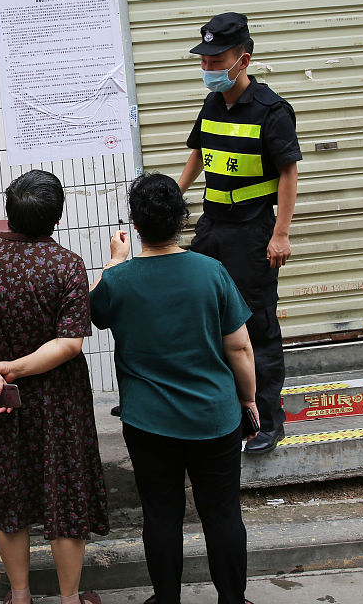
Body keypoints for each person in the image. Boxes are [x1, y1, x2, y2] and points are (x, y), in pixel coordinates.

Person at [90, 173, 257, 604]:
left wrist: (114, 260)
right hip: (215, 417)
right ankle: (232, 601)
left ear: (137, 224)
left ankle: (166, 600)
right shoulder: (211, 272)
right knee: (222, 514)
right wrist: (249, 400)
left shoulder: (119, 281)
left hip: (148, 421)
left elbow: (93, 305)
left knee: (161, 515)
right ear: (182, 221)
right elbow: (239, 346)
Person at [0, 169, 109, 604]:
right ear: (56, 217)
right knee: (65, 498)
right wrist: (13, 367)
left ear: (9, 210)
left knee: (9, 495)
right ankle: (71, 598)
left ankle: (20, 596)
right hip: (58, 400)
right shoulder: (66, 265)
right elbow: (70, 343)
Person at [176, 12, 301, 454]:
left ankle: (267, 421)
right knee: (206, 317)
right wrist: (175, 196)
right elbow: (198, 154)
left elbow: (288, 174)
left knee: (257, 326)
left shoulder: (271, 110)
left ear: (242, 59)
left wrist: (280, 235)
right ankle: (224, 411)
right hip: (212, 227)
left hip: (252, 231)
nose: (207, 67)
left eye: (216, 59)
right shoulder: (212, 104)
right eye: (204, 60)